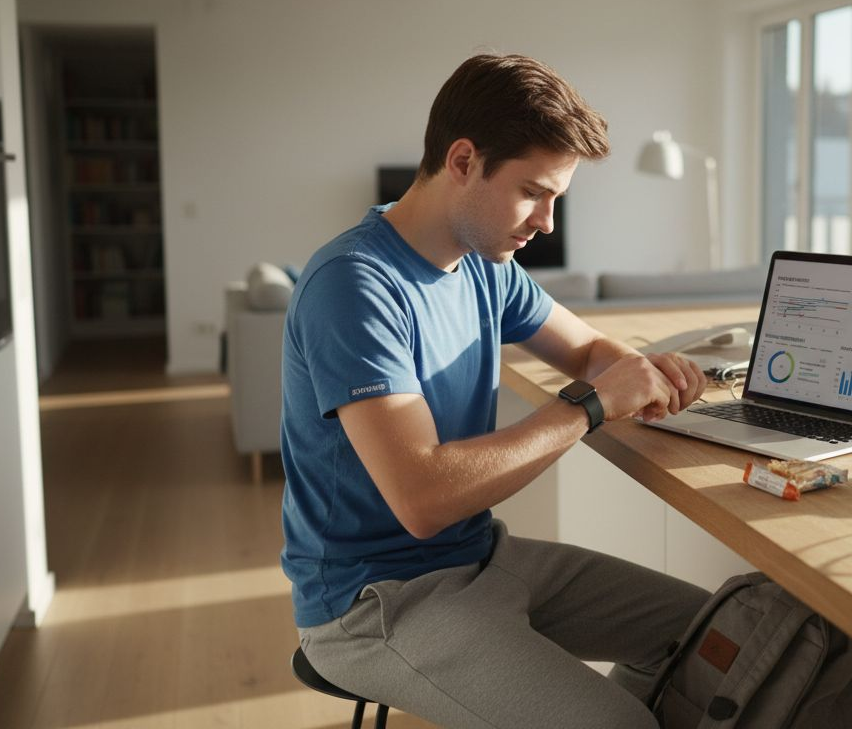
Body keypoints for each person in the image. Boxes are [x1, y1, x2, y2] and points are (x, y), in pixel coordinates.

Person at [280, 53, 712, 728]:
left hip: (482, 556)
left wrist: (643, 370)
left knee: (722, 635)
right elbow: (424, 500)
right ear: (462, 161)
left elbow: (588, 350)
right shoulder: (354, 285)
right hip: (375, 602)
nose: (547, 221)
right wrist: (592, 404)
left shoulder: (484, 265)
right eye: (533, 192)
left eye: (556, 199)